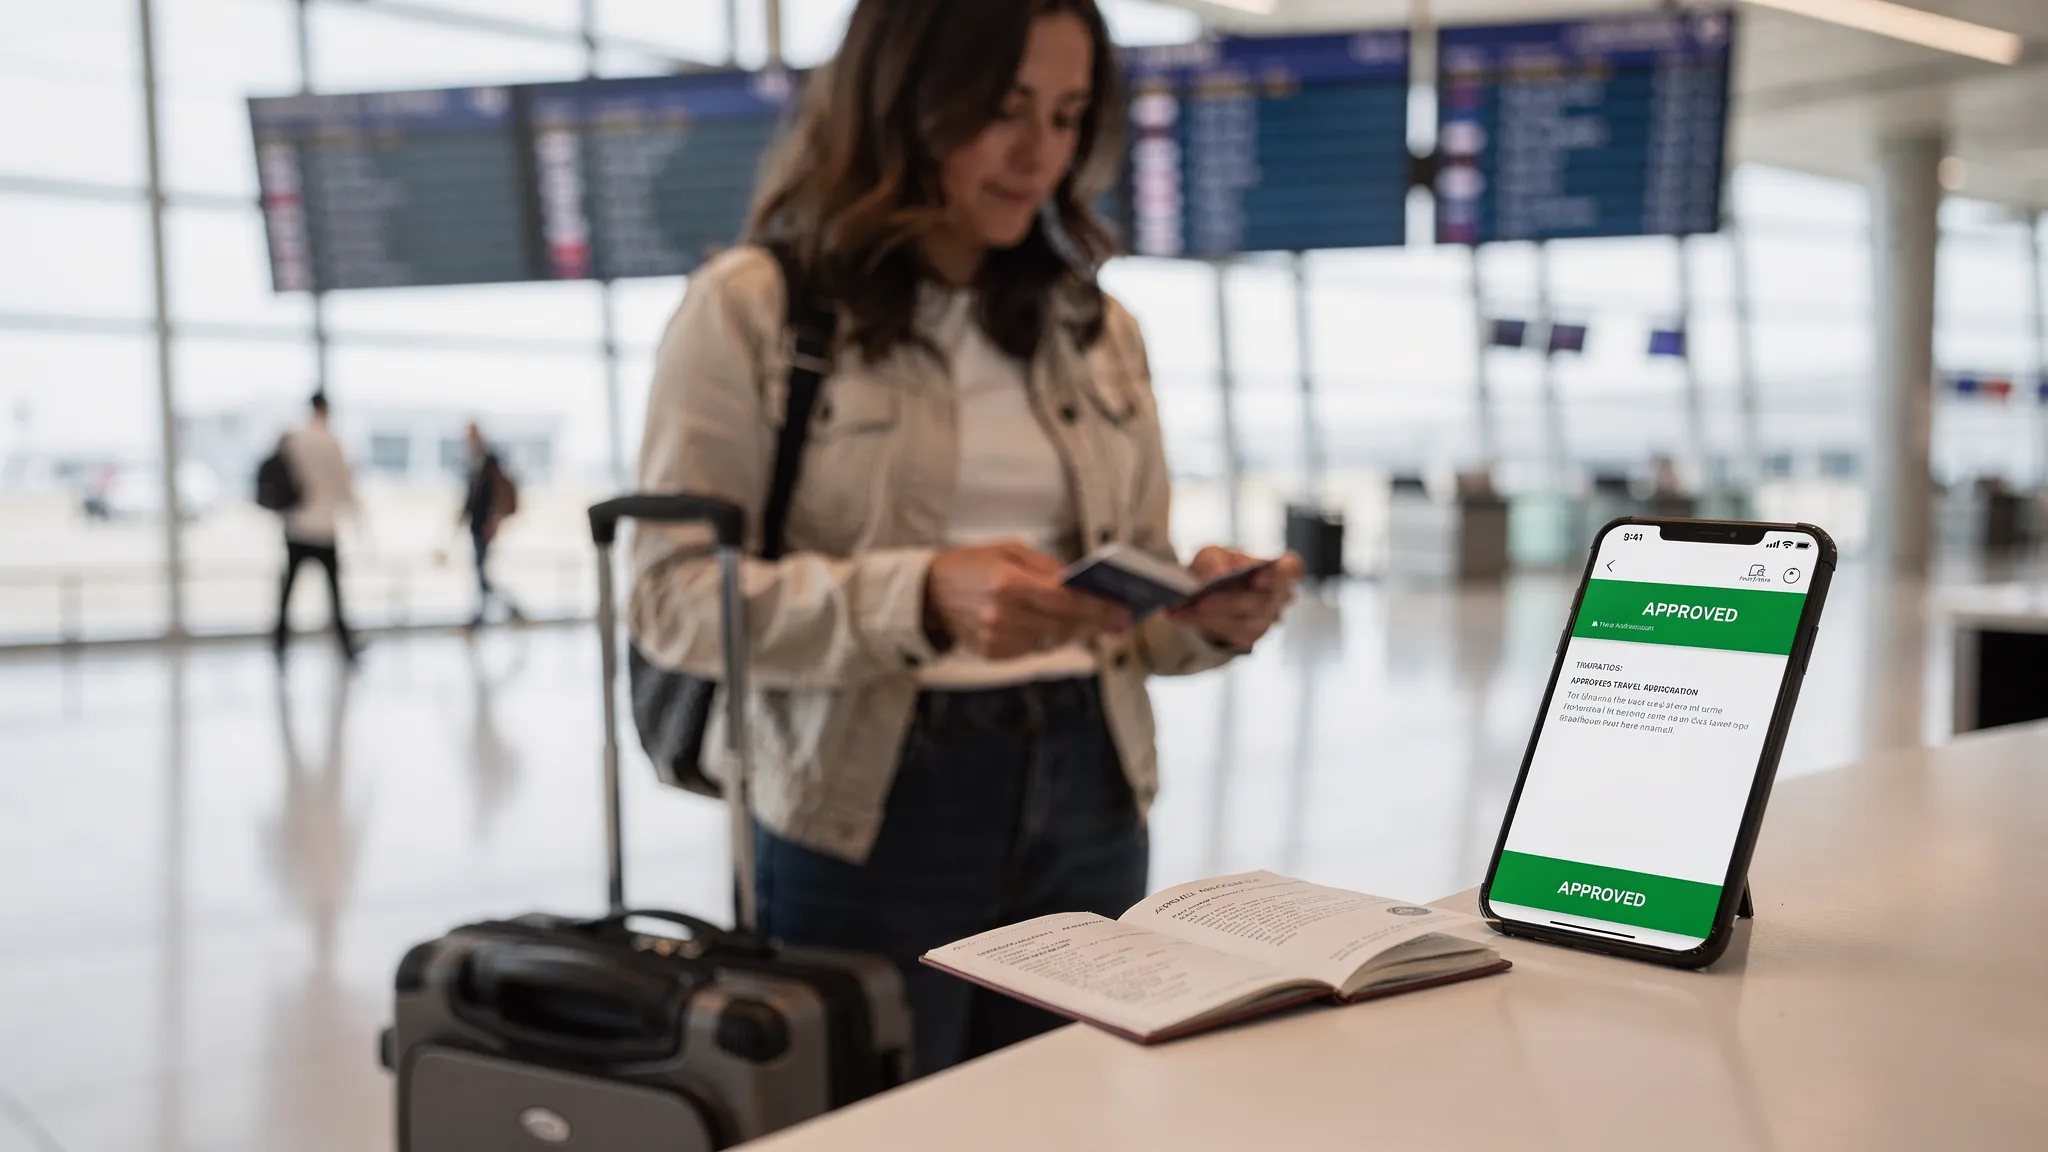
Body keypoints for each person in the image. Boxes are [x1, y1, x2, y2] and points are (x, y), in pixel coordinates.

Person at [629, 0, 1303, 1076]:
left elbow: (1133, 615)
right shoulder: (753, 309)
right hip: (865, 804)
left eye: (1067, 113)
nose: (1037, 151)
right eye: (1000, 108)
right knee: (876, 1119)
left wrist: (1203, 609)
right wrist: (920, 598)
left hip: (1089, 781)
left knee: (1061, 1114)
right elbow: (665, 597)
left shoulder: (1097, 327)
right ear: (901, 100)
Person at [274, 392, 362, 663]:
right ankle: (346, 648)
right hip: (323, 528)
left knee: (288, 592)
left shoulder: (293, 439)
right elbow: (345, 489)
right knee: (335, 594)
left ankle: (280, 644)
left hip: (297, 526)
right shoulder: (330, 442)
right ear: (326, 409)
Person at [457, 422, 525, 630]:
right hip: (475, 526)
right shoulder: (472, 462)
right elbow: (471, 497)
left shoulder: (490, 461)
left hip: (486, 527)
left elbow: (499, 492)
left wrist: (495, 520)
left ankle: (507, 611)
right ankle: (484, 617)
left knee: (483, 576)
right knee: (481, 575)